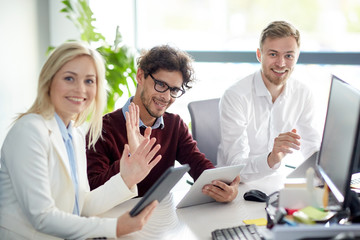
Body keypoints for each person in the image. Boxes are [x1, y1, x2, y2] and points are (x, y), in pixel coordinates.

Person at [0, 42, 162, 239]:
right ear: (48, 81)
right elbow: (41, 217)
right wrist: (114, 228)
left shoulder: (75, 134)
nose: (80, 89)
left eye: (89, 81)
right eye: (69, 78)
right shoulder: (29, 131)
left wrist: (127, 177)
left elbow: (81, 205)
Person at [86, 45, 240, 202]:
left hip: (159, 216)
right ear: (140, 76)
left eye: (174, 90)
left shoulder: (174, 125)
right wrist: (132, 159)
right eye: (160, 85)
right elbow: (93, 190)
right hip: (116, 220)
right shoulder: (102, 129)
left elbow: (199, 165)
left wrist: (226, 187)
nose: (166, 97)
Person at [217, 21, 322, 182]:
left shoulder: (303, 93)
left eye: (288, 55)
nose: (281, 63)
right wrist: (272, 158)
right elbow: (236, 167)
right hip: (236, 187)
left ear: (297, 57)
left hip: (277, 182)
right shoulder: (236, 96)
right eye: (273, 54)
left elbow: (312, 147)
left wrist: (327, 170)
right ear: (259, 55)